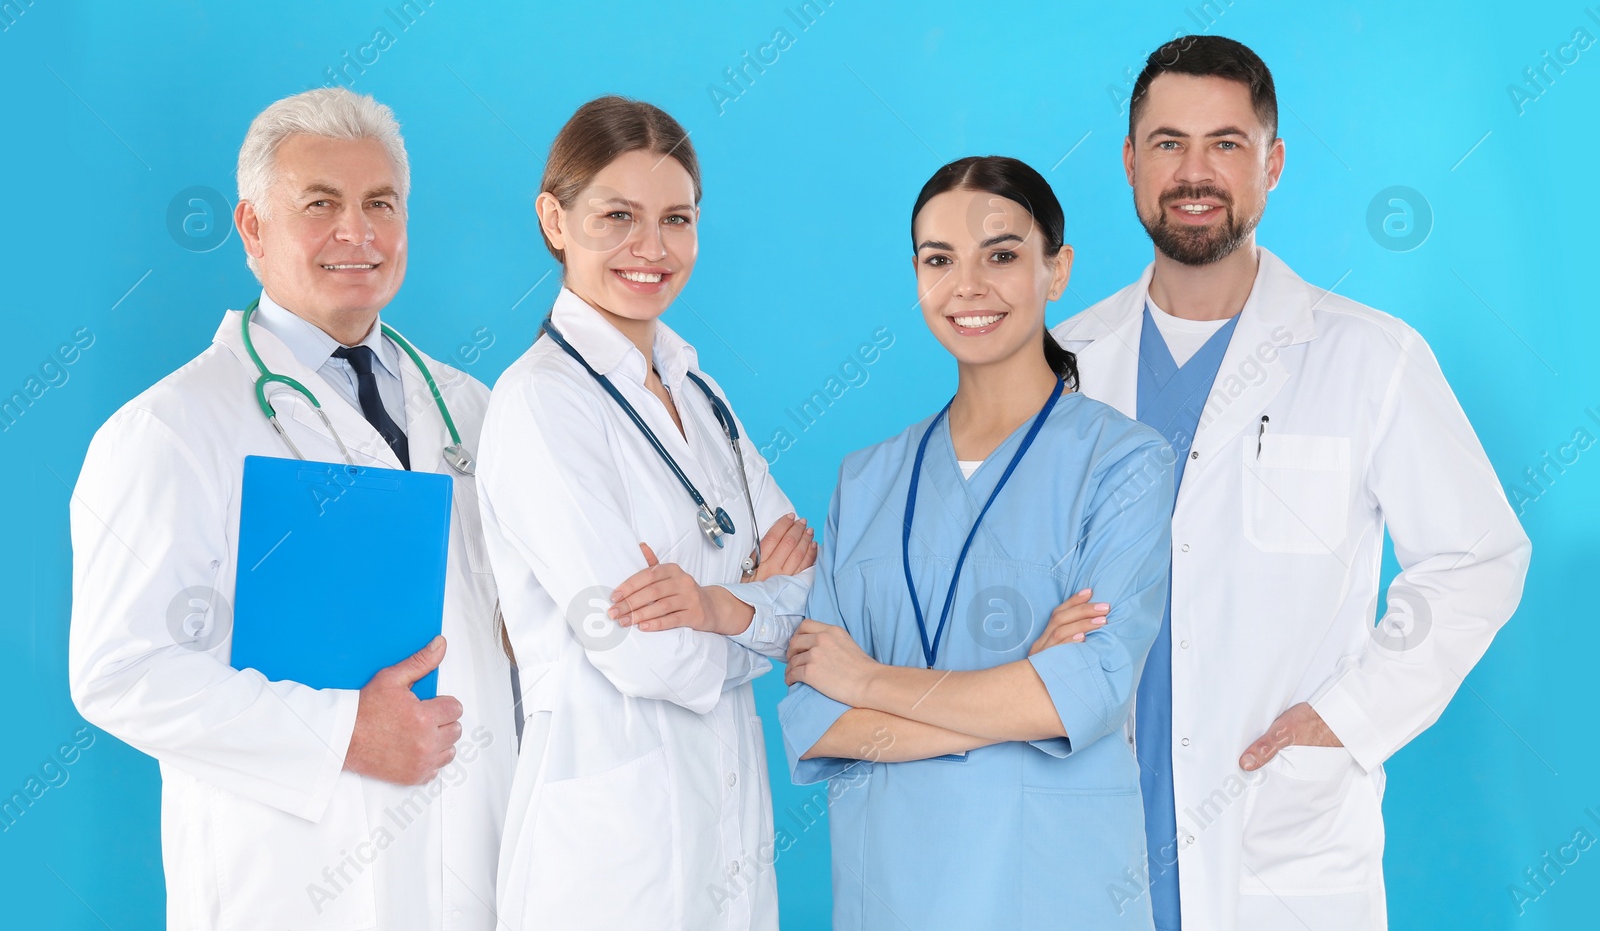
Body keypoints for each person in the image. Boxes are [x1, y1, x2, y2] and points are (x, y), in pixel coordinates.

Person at [1051, 35, 1532, 930]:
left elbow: (1478, 556)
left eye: (1226, 144)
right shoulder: (1062, 362)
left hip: (1276, 838)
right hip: (1088, 826)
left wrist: (1347, 717)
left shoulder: (1368, 355)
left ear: (1271, 165)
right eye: (1168, 144)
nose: (1195, 172)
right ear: (1128, 162)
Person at [68, 87, 516, 930]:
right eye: (321, 204)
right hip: (293, 887)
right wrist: (342, 732)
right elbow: (118, 672)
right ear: (251, 228)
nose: (359, 232)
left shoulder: (470, 409)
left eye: (380, 203)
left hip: (472, 875)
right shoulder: (172, 427)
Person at [778, 155, 1175, 929]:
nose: (969, 286)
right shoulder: (865, 481)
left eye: (1002, 254)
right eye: (939, 260)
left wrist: (865, 677)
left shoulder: (1124, 464)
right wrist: (1023, 684)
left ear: (1056, 270)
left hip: (1056, 890)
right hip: (890, 892)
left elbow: (1089, 686)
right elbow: (817, 719)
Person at [476, 95, 817, 930]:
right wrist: (751, 612)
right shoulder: (538, 404)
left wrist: (709, 607)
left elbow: (809, 594)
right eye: (617, 216)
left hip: (727, 827)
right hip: (609, 862)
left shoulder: (702, 393)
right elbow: (641, 654)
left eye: (677, 218)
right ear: (554, 219)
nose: (652, 248)